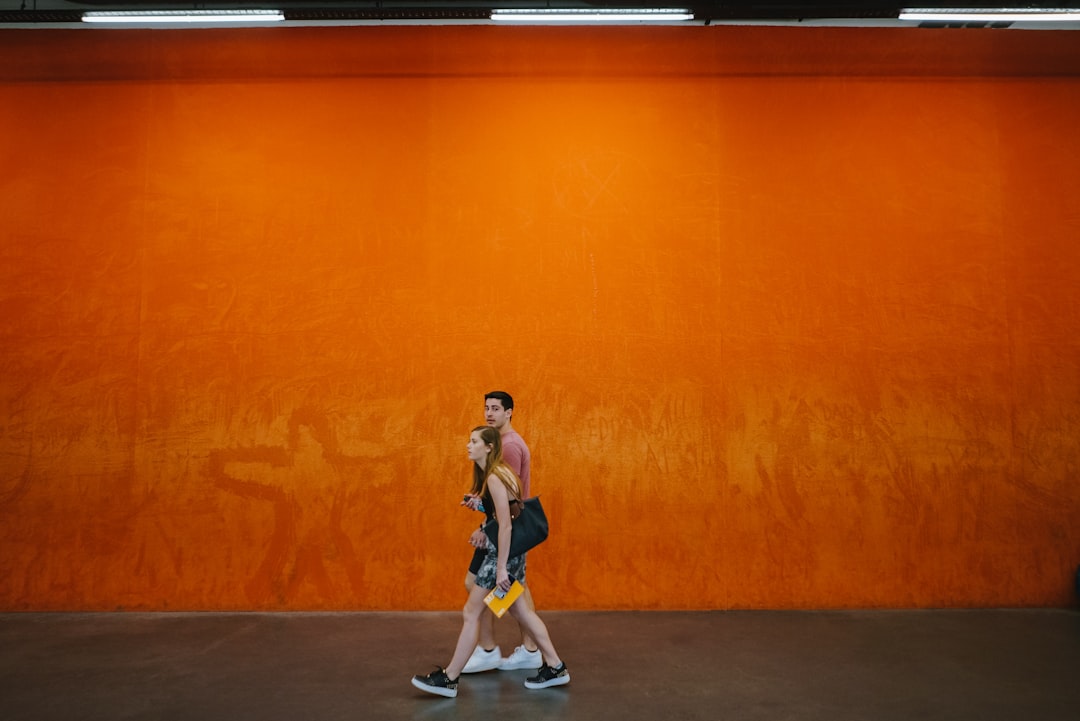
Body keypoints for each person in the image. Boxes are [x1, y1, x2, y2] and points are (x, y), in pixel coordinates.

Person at [411, 426, 569, 698]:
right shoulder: (497, 474)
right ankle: (556, 667)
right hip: (512, 553)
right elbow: (505, 510)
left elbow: (506, 526)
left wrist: (500, 569)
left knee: (471, 612)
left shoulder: (495, 476)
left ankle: (449, 678)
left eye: (474, 441)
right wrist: (482, 509)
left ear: (489, 447)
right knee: (521, 613)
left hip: (503, 554)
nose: (468, 445)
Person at [460, 391, 542, 673]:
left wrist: (486, 527)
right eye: (486, 408)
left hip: (505, 530)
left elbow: (508, 497)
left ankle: (492, 649)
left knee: (496, 588)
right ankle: (525, 651)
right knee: (509, 589)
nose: (489, 413)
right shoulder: (502, 441)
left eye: (496, 408)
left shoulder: (508, 446)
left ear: (510, 413)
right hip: (503, 527)